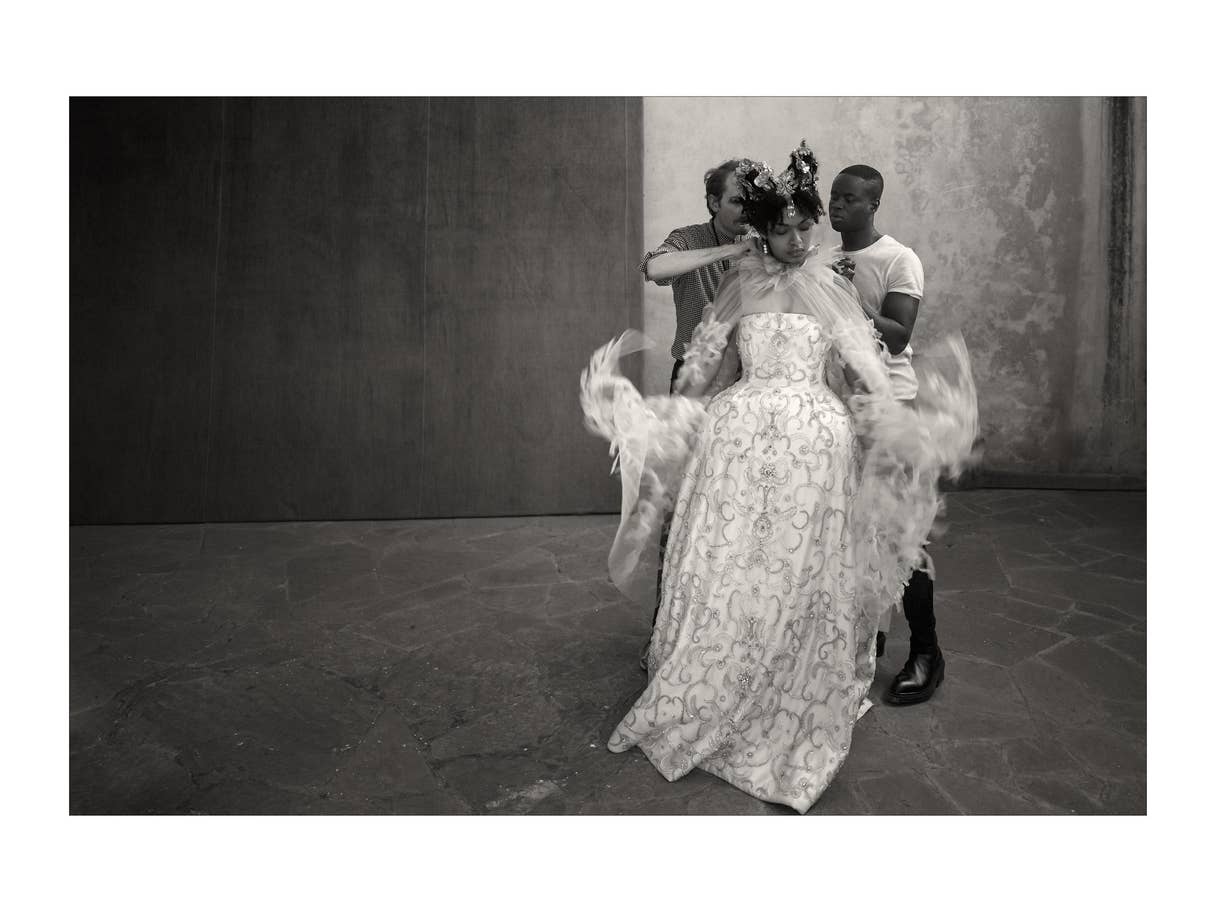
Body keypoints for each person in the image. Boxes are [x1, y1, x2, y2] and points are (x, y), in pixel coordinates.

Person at [579, 142, 978, 812]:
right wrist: (679, 415)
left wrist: (887, 425)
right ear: (762, 230)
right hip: (737, 438)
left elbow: (860, 368)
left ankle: (833, 660)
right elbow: (710, 366)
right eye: (783, 229)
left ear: (815, 226)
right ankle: (713, 666)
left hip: (814, 440)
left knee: (806, 561)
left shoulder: (836, 289)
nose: (796, 240)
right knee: (732, 562)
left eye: (804, 227)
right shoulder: (738, 286)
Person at [827, 165, 942, 706]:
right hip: (840, 406)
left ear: (873, 205)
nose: (838, 205)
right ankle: (862, 640)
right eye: (834, 196)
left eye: (850, 198)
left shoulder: (898, 259)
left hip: (890, 405)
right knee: (849, 528)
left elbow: (897, 336)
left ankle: (926, 652)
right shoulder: (825, 258)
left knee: (900, 531)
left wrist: (847, 293)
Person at [640, 160, 752, 392]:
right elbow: (654, 268)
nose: (747, 209)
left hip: (746, 380)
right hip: (693, 375)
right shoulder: (687, 238)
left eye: (753, 201)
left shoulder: (763, 241)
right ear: (714, 202)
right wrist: (729, 250)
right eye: (737, 201)